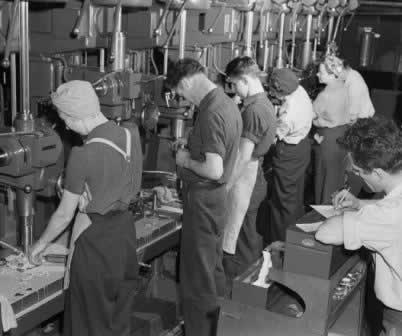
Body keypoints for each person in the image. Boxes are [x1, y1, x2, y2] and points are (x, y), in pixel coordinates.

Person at [29, 80, 143, 336]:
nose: (66, 126)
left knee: (87, 324)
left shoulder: (83, 155)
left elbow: (63, 215)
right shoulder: (130, 133)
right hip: (125, 237)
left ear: (73, 115)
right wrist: (103, 194)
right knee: (118, 320)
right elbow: (132, 182)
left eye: (64, 119)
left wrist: (41, 245)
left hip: (96, 245)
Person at [165, 58, 242, 336]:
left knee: (197, 280)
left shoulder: (211, 112)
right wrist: (193, 145)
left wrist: (185, 160)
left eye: (180, 93)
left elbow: (213, 168)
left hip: (204, 200)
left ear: (185, 82)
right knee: (211, 272)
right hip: (216, 200)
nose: (182, 99)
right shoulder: (224, 102)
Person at [315, 116, 402, 336]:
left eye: (358, 172)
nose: (357, 177)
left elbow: (327, 233)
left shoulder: (385, 214)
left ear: (378, 173)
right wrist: (361, 203)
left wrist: (345, 216)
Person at [222, 56, 276, 286]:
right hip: (256, 176)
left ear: (244, 80)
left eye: (234, 85)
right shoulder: (262, 102)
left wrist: (226, 186)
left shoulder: (254, 110)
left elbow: (244, 156)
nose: (234, 90)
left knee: (241, 244)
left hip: (248, 179)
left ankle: (239, 298)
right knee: (250, 239)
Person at [267, 68, 314, 243]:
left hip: (288, 153)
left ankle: (281, 243)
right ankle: (295, 236)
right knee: (294, 199)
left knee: (283, 202)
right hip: (302, 148)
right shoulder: (299, 90)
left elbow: (272, 137)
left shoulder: (289, 114)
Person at [313, 58, 350, 204]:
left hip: (327, 139)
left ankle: (321, 215)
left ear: (332, 74)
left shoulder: (325, 95)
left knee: (323, 179)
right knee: (336, 178)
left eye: (320, 72)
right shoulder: (343, 87)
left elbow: (310, 115)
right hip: (342, 135)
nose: (317, 74)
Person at [324, 54, 375, 124]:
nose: (333, 75)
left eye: (334, 71)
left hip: (362, 123)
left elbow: (352, 117)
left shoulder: (354, 83)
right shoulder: (349, 75)